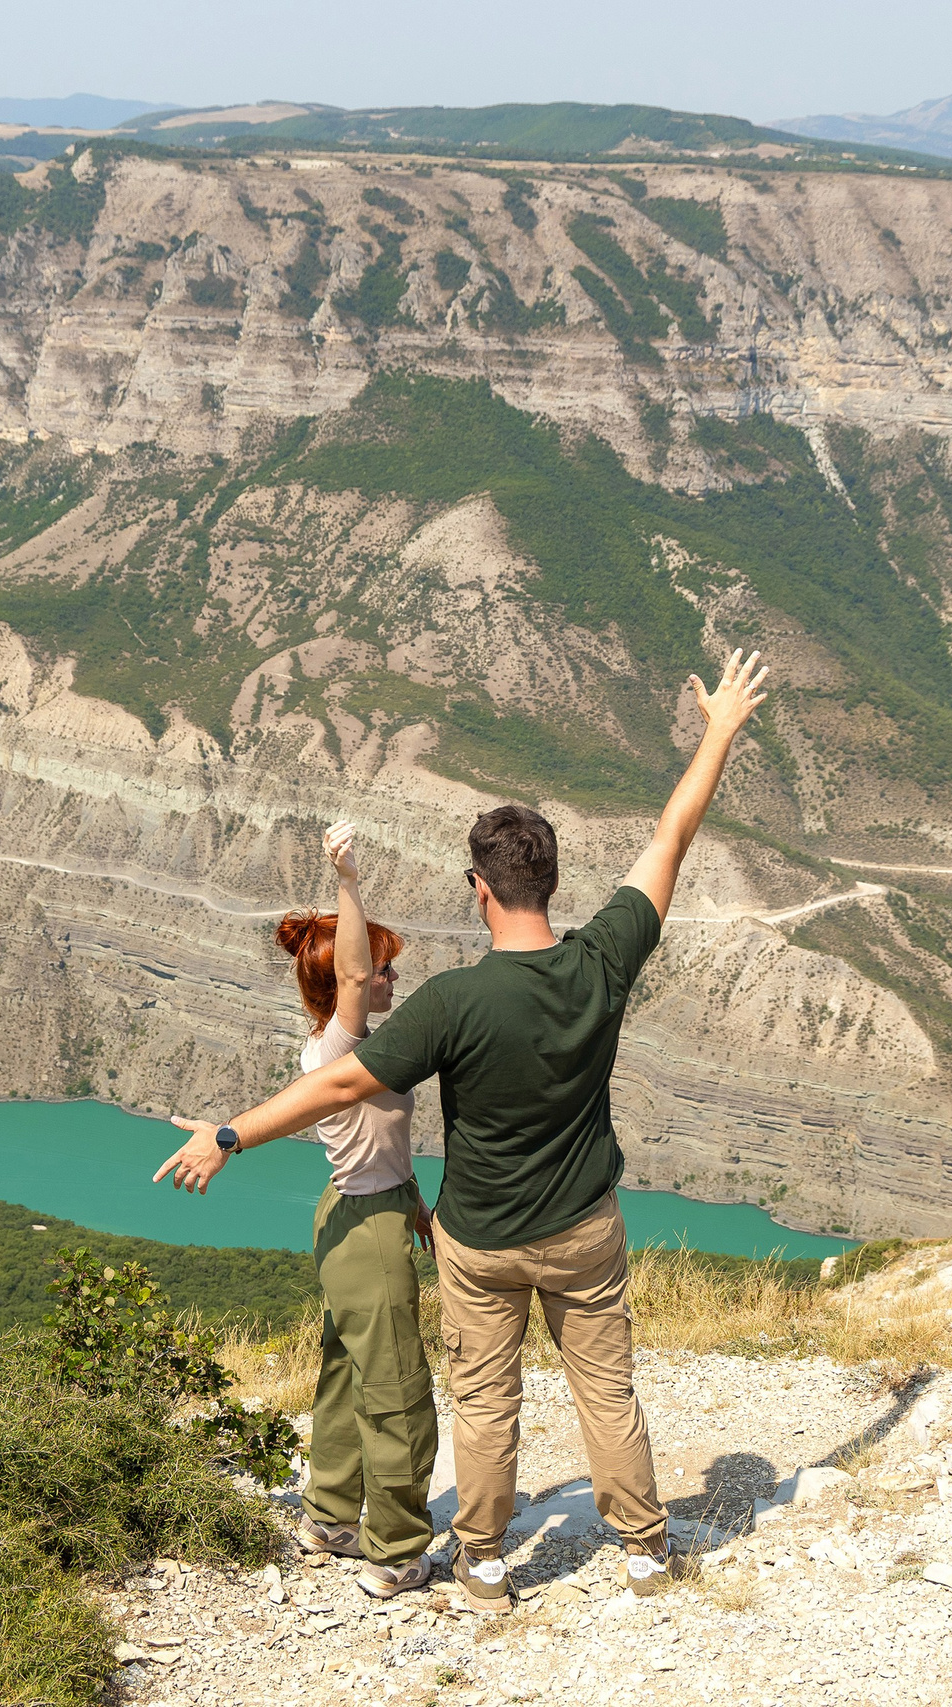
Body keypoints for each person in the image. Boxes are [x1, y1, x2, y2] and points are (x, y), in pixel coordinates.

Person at [157, 648, 773, 1614]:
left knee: (487, 1403)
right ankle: (645, 1549)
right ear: (553, 884)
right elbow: (669, 839)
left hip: (478, 1241)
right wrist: (721, 731)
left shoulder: (450, 1002)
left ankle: (482, 1562)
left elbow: (338, 1084)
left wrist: (230, 1135)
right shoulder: (604, 957)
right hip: (583, 1227)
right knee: (605, 1390)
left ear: (478, 888)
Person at [202, 821, 442, 1598]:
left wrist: (415, 1205)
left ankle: (332, 1516)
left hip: (354, 1212)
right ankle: (397, 1550)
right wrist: (348, 880)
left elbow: (381, 1145)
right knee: (397, 1387)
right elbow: (348, 976)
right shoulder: (337, 1047)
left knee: (345, 1371)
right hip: (363, 1232)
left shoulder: (353, 1046)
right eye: (381, 970)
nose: (388, 978)